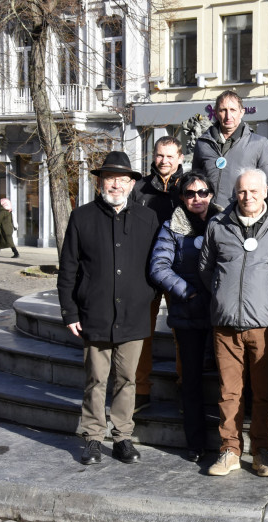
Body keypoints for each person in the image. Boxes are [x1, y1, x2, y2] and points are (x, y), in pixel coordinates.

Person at [57, 151, 159, 465]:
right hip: (95, 314)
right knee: (95, 379)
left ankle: (123, 438)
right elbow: (68, 269)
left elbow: (158, 265)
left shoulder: (148, 219)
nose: (116, 184)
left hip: (134, 315)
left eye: (122, 178)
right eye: (110, 178)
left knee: (127, 379)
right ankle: (91, 437)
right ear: (101, 181)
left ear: (132, 184)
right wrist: (70, 312)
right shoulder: (82, 216)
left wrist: (146, 298)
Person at [198, 168, 268, 478]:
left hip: (266, 325)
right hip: (225, 324)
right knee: (229, 391)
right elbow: (205, 268)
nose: (247, 196)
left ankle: (262, 451)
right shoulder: (218, 225)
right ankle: (229, 450)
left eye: (254, 191)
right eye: (242, 191)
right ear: (235, 193)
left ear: (265, 192)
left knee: (265, 392)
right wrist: (221, 294)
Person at [149, 172, 219, 464]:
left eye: (203, 192)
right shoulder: (171, 227)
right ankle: (196, 442)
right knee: (190, 381)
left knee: (228, 381)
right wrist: (188, 293)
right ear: (182, 198)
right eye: (190, 194)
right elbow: (159, 267)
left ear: (211, 195)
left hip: (220, 314)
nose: (197, 198)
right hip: (188, 314)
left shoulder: (224, 221)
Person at [131, 136, 186, 412]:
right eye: (159, 155)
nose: (164, 161)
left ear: (180, 158)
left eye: (169, 156)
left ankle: (183, 385)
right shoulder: (139, 188)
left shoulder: (189, 188)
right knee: (144, 332)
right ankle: (141, 388)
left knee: (181, 331)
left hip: (178, 270)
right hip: (145, 269)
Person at [192, 90, 268, 208]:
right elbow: (194, 182)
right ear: (216, 113)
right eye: (223, 110)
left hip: (242, 214)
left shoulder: (259, 143)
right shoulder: (202, 144)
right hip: (208, 215)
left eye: (233, 110)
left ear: (241, 112)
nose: (228, 116)